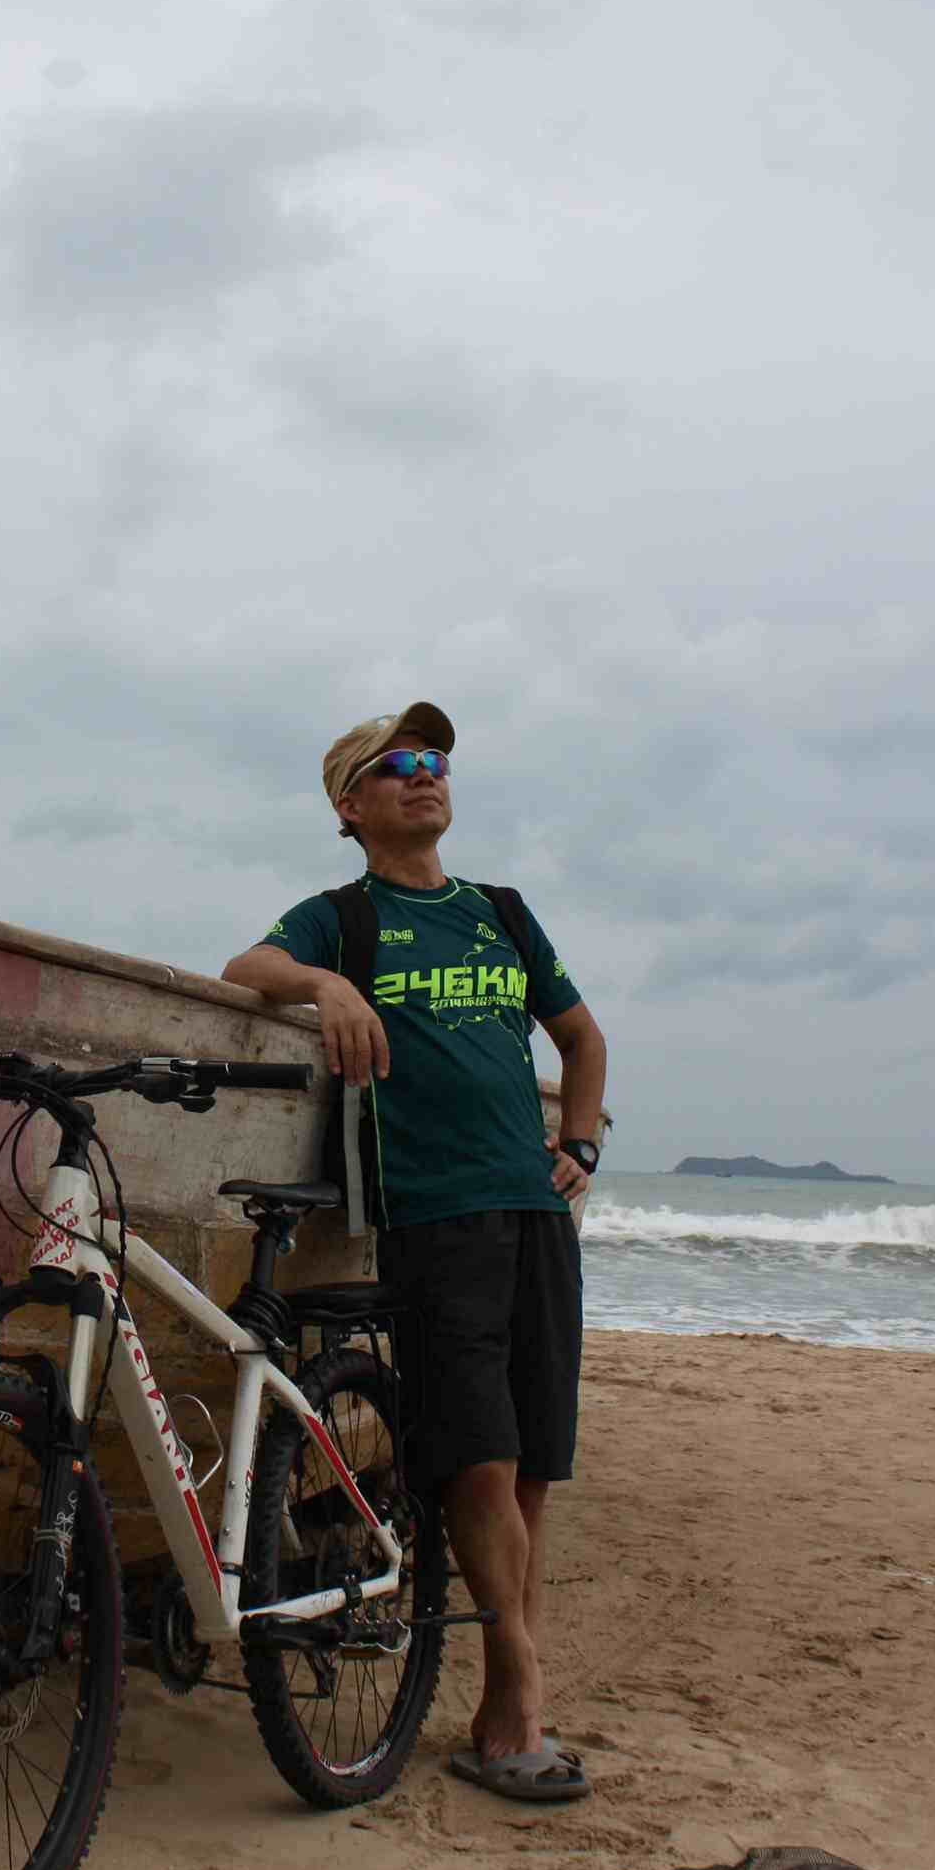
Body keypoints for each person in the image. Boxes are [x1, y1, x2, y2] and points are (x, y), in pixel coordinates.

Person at [222, 701, 609, 1806]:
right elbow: (247, 963)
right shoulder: (344, 918)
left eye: (433, 761)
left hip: (534, 1216)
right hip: (431, 1216)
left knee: (532, 1460)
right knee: (477, 1454)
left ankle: (501, 1699)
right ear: (351, 806)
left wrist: (577, 1140)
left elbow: (581, 1036)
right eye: (395, 766)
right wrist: (329, 985)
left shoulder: (502, 913)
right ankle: (523, 1691)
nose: (423, 777)